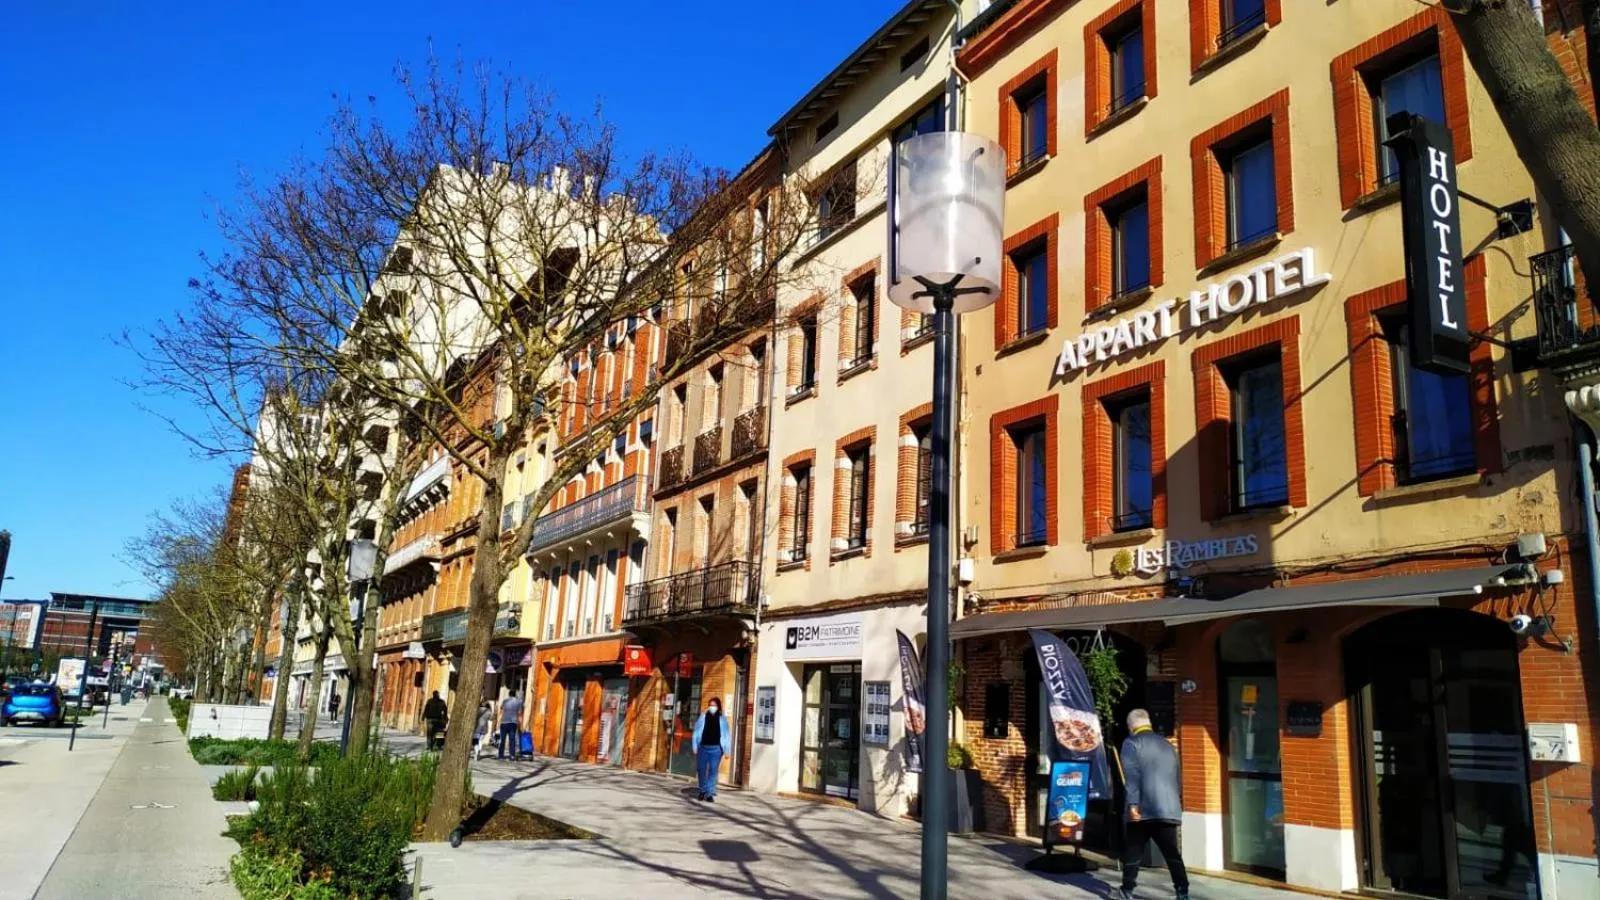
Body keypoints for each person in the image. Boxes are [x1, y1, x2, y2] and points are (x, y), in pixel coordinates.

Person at [1118, 709, 1188, 900]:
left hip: (1143, 808)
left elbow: (1132, 777)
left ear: (1131, 726)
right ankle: (1182, 890)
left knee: (1134, 850)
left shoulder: (1131, 743)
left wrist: (1132, 804)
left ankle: (1127, 889)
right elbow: (1177, 775)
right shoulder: (1167, 744)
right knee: (1171, 852)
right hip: (1168, 807)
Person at [691, 696, 733, 803]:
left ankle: (709, 793)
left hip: (716, 749)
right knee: (701, 769)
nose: (712, 707)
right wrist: (695, 746)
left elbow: (726, 736)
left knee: (713, 771)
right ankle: (702, 790)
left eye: (714, 705)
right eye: (710, 705)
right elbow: (696, 731)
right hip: (703, 748)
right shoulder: (703, 716)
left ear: (718, 707)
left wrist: (727, 750)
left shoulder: (722, 719)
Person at [497, 691, 524, 760]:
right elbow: (519, 714)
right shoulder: (518, 702)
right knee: (512, 740)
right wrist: (521, 725)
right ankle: (512, 755)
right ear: (515, 695)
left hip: (504, 722)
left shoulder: (505, 701)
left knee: (502, 740)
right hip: (513, 723)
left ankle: (500, 756)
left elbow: (501, 712)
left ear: (509, 694)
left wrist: (498, 722)